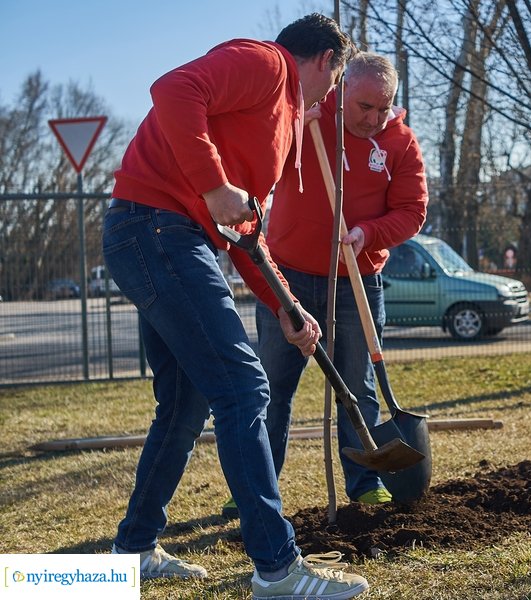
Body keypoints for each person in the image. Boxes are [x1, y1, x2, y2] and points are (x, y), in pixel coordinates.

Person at [103, 14, 370, 599]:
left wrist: (286, 306)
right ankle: (277, 569)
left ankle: (132, 553)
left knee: (185, 402)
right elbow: (173, 90)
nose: (332, 94)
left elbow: (245, 231)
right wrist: (213, 183)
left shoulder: (279, 124)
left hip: (166, 236)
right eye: (338, 77)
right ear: (326, 59)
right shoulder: (265, 63)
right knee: (244, 388)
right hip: (155, 227)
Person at [221, 51, 428, 517]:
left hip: (358, 283)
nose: (374, 118)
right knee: (270, 387)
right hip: (287, 279)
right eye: (364, 107)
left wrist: (366, 234)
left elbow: (412, 211)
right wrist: (295, 123)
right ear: (343, 90)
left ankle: (365, 481)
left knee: (358, 387)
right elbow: (257, 161)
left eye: (384, 107)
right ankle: (255, 490)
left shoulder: (400, 143)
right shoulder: (309, 114)